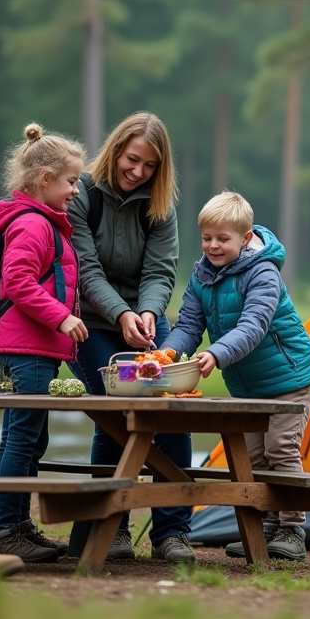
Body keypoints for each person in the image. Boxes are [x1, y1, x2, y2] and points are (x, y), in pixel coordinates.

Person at [163, 191, 310, 562]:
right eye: (206, 238)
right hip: (248, 384)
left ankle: (292, 529)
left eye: (223, 238)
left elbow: (254, 325)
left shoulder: (263, 272)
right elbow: (188, 324)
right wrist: (168, 351)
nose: (213, 246)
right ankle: (264, 526)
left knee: (280, 449)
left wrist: (216, 354)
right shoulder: (201, 275)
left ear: (246, 238)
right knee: (252, 457)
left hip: (289, 378)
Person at [65, 111, 190, 563]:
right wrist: (120, 315)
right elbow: (84, 269)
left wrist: (149, 312)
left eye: (150, 166)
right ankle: (111, 526)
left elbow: (160, 270)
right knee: (116, 407)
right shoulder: (80, 194)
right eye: (132, 160)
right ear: (116, 149)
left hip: (146, 318)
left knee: (169, 404)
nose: (138, 172)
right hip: (90, 323)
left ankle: (173, 532)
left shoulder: (160, 206)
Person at [0, 123, 89, 564]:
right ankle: (4, 529)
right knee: (22, 437)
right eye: (71, 181)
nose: (76, 191)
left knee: (25, 437)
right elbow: (19, 282)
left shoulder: (44, 222)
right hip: (26, 349)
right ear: (44, 180)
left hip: (31, 348)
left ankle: (16, 524)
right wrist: (62, 317)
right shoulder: (32, 223)